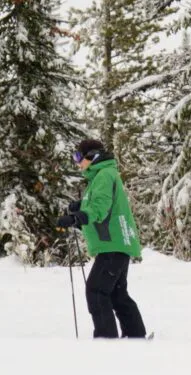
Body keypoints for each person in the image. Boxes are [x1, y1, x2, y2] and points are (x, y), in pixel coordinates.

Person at [56, 139, 147, 339]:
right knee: (117, 294)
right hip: (116, 243)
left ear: (92, 156)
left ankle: (106, 341)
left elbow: (100, 207)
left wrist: (75, 217)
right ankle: (135, 336)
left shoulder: (104, 175)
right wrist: (80, 207)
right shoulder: (102, 175)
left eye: (78, 157)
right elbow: (100, 203)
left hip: (112, 244)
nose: (77, 162)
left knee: (96, 291)